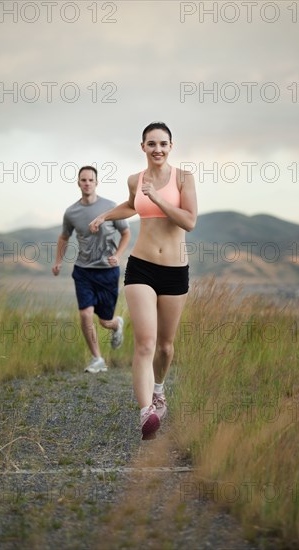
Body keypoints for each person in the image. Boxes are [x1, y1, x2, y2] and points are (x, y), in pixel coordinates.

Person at [89, 122, 197, 439]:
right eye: (151, 144)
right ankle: (146, 411)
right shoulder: (136, 180)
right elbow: (132, 205)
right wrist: (104, 215)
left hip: (175, 270)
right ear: (143, 147)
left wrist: (159, 199)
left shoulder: (183, 178)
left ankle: (159, 389)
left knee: (165, 347)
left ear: (171, 146)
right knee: (146, 343)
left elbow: (189, 221)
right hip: (141, 267)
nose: (158, 149)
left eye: (163, 144)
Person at [52, 165, 131, 373]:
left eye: (90, 180)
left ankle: (116, 324)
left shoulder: (111, 208)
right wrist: (58, 261)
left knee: (105, 321)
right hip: (83, 270)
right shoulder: (71, 212)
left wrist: (117, 255)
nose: (87, 183)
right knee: (86, 314)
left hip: (107, 271)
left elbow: (126, 233)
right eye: (83, 180)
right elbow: (64, 237)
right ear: (78, 183)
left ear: (96, 182)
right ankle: (97, 359)